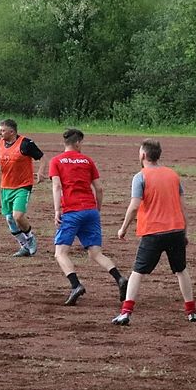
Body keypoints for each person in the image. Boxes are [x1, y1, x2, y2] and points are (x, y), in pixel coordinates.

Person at [113, 139, 196, 326]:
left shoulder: (140, 177)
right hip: (175, 230)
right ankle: (191, 311)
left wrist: (123, 228)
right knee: (181, 270)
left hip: (153, 232)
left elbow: (134, 206)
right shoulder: (173, 175)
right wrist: (185, 232)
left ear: (143, 155)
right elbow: (184, 208)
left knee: (137, 272)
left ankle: (126, 312)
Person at [49, 129, 128, 305]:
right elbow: (99, 189)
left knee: (60, 253)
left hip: (71, 211)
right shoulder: (87, 160)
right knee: (95, 253)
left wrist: (57, 211)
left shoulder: (56, 161)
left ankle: (76, 285)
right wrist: (96, 209)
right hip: (90, 210)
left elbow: (57, 187)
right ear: (77, 143)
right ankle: (120, 279)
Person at [0, 118, 45, 257]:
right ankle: (23, 245)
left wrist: (41, 172)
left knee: (17, 216)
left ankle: (30, 238)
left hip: (23, 186)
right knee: (9, 219)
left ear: (12, 132)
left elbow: (42, 157)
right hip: (6, 186)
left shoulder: (25, 143)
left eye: (2, 130)